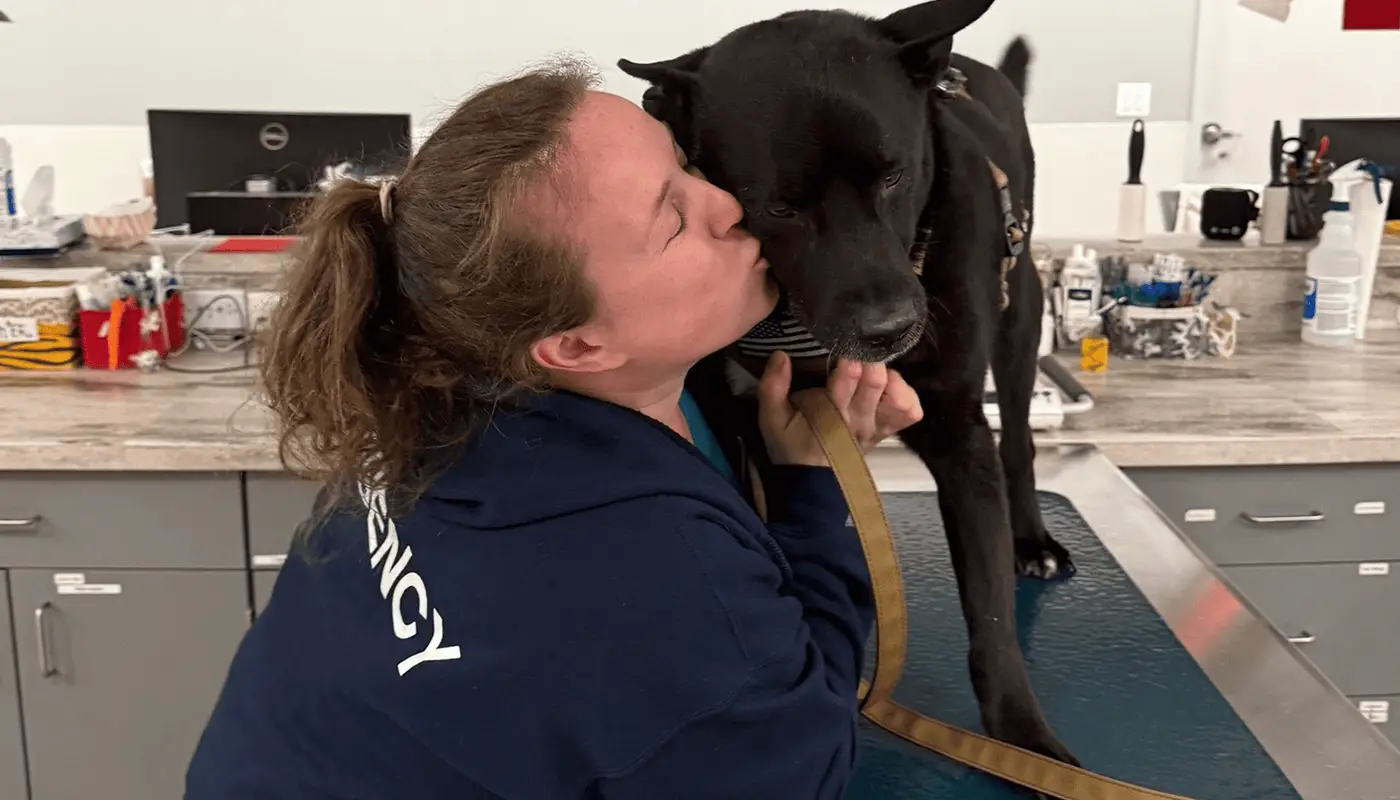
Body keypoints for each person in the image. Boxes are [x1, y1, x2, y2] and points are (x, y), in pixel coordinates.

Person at [185, 58, 923, 800]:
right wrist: (817, 490)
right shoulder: (651, 578)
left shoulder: (434, 395)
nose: (727, 205)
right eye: (671, 219)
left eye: (685, 164)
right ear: (575, 346)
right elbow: (801, 769)